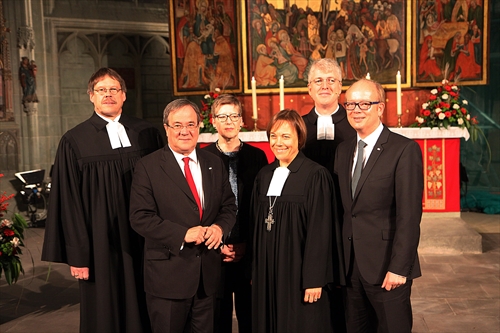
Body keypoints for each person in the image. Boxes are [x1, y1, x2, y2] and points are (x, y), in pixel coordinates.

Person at [41, 67, 163, 332]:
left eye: (113, 89)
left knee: (149, 301)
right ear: (91, 96)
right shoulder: (74, 140)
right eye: (101, 90)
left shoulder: (147, 133)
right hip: (99, 243)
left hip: (144, 237)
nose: (108, 95)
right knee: (105, 309)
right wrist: (77, 254)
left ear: (124, 95)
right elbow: (68, 201)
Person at [129, 98, 237, 333]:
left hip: (206, 278)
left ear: (199, 126)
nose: (185, 131)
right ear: (166, 128)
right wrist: (183, 234)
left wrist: (220, 228)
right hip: (168, 278)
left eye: (191, 124)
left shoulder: (214, 163)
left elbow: (228, 206)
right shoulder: (148, 166)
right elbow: (140, 216)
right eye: (177, 125)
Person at [334, 79, 423, 332]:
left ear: (380, 108)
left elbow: (409, 216)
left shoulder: (403, 150)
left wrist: (398, 268)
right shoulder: (343, 151)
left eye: (365, 103)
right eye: (350, 104)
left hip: (387, 267)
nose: (356, 109)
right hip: (351, 268)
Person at [251, 109, 337, 333]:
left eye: (286, 136)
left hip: (298, 273)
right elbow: (255, 227)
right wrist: (254, 271)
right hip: (267, 272)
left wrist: (314, 278)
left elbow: (321, 230)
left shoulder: (315, 175)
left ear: (299, 138)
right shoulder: (264, 175)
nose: (278, 142)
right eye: (274, 136)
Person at [203, 94, 268, 333]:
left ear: (242, 121)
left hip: (249, 251)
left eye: (233, 116)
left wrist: (247, 245)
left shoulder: (257, 157)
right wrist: (218, 244)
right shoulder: (203, 157)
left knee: (250, 317)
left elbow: (261, 206)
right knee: (216, 319)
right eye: (222, 116)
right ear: (214, 121)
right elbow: (202, 207)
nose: (228, 121)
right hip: (214, 250)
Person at [302, 57, 356, 333]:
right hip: (308, 219)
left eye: (331, 80)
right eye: (318, 80)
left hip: (347, 217)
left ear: (340, 88)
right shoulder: (297, 128)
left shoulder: (355, 124)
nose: (325, 85)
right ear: (309, 89)